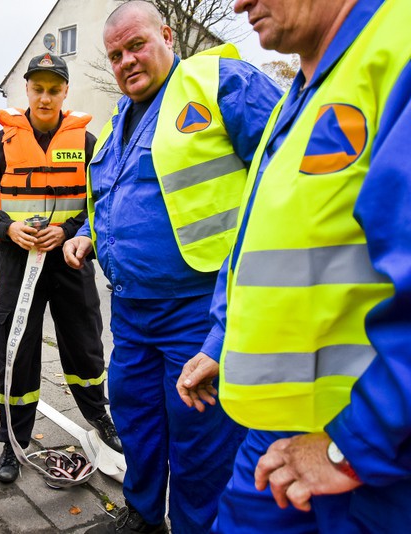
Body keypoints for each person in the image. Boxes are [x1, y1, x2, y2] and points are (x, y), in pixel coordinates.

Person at [177, 0, 411, 531]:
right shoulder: (303, 90)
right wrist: (223, 345)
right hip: (289, 435)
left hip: (367, 457)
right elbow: (261, 244)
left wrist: (352, 446)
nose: (238, 4)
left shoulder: (396, 46)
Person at [63, 2, 283, 532]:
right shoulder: (120, 119)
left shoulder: (217, 81)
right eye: (115, 54)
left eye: (136, 45)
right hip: (133, 311)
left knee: (200, 436)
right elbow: (115, 191)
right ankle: (142, 517)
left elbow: (285, 177)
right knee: (136, 422)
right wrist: (89, 233)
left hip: (199, 307)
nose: (126, 61)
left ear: (166, 35)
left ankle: (193, 525)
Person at [0, 52, 122, 485]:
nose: (45, 97)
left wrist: (69, 230)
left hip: (70, 261)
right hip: (18, 264)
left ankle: (100, 422)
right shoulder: (0, 144)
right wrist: (8, 227)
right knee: (17, 351)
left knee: (85, 346)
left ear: (65, 92)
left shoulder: (87, 144)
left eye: (54, 89)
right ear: (27, 90)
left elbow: (100, 203)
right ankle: (13, 440)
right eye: (38, 88)